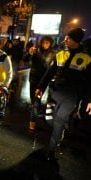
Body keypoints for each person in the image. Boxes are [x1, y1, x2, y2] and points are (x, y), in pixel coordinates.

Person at [35, 28, 91, 160]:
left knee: (59, 121)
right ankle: (61, 129)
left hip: (71, 96)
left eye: (69, 38)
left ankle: (51, 149)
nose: (65, 40)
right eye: (66, 37)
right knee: (49, 120)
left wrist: (89, 99)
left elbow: (90, 81)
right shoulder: (60, 54)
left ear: (76, 41)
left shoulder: (86, 58)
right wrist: (40, 87)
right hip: (55, 92)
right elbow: (50, 72)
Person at [23, 35, 56, 131]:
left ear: (50, 44)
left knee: (36, 100)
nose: (45, 44)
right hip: (33, 79)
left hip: (43, 81)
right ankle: (35, 111)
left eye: (47, 43)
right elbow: (25, 60)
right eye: (44, 42)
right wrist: (29, 53)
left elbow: (52, 68)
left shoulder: (52, 54)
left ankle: (32, 121)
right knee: (33, 99)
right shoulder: (35, 50)